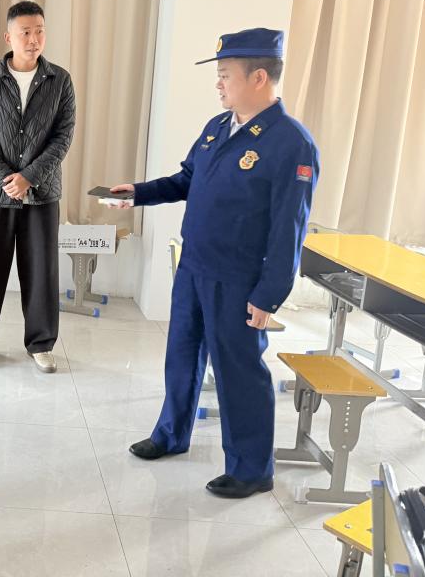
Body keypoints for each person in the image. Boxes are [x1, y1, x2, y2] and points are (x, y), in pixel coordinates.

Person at [106, 27, 319, 498]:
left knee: (237, 369)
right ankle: (171, 434)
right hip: (195, 266)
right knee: (182, 355)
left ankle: (251, 468)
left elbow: (289, 229)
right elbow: (187, 180)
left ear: (258, 77)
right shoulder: (218, 127)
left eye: (225, 75)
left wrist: (269, 295)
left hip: (239, 279)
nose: (218, 84)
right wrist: (138, 193)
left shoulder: (291, 143)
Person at [0, 1, 76, 373]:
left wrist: (29, 177)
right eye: (25, 32)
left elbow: (62, 137)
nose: (34, 39)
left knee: (42, 272)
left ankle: (41, 344)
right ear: (8, 36)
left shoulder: (60, 81)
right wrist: (7, 180)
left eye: (39, 31)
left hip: (42, 194)